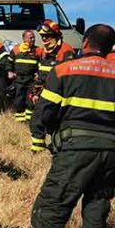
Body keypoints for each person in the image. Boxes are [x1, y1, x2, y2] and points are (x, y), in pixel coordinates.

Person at [28, 25, 115, 228]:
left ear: (86, 41)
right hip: (112, 153)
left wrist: (45, 134)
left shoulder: (65, 70)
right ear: (112, 47)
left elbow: (45, 113)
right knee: (97, 207)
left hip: (75, 151)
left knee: (53, 203)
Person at [29, 21, 76, 152]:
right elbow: (41, 74)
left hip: (59, 94)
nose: (44, 39)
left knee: (44, 120)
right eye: (42, 36)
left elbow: (68, 77)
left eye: (47, 36)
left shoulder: (66, 51)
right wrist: (35, 92)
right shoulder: (45, 51)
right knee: (38, 120)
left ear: (55, 35)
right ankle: (38, 150)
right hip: (45, 92)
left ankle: (45, 149)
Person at [8, 30, 43, 123]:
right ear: (24, 39)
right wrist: (10, 71)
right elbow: (9, 61)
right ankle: (20, 121)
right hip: (19, 79)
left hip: (31, 80)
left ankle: (29, 121)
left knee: (30, 100)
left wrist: (39, 73)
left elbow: (43, 64)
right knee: (19, 99)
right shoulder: (16, 50)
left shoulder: (39, 51)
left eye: (33, 37)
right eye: (30, 37)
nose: (33, 39)